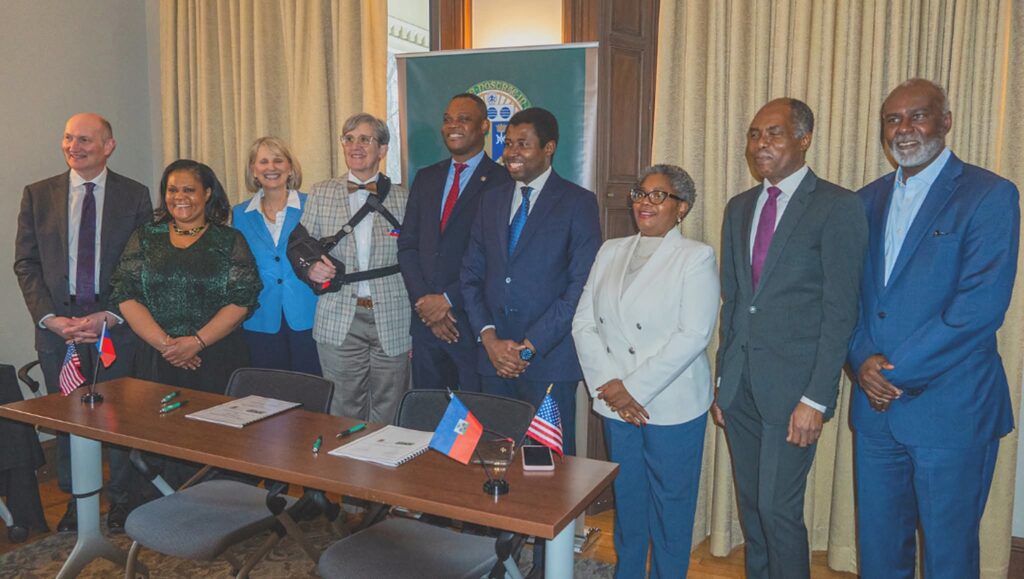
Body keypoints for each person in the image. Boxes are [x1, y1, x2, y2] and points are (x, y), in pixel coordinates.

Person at [848, 79, 1019, 579]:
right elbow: (848, 299)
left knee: (949, 556)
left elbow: (979, 308)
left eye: (917, 116)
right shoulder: (864, 201)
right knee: (879, 553)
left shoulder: (989, 194)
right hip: (876, 413)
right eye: (893, 119)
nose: (904, 128)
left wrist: (891, 373)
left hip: (953, 410)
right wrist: (860, 359)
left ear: (945, 121)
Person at [712, 98, 867, 579]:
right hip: (741, 388)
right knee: (753, 509)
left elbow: (840, 313)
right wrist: (723, 382)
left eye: (774, 133)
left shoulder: (837, 206)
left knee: (778, 511)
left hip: (795, 392)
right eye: (755, 134)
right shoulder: (740, 208)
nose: (761, 144)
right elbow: (735, 302)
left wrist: (816, 399)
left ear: (804, 139)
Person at [572, 165, 719, 578]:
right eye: (640, 193)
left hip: (671, 405)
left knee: (671, 511)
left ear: (682, 207)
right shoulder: (610, 250)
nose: (645, 203)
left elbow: (694, 335)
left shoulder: (695, 257)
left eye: (658, 195)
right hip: (616, 404)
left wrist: (632, 389)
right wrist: (609, 386)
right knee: (630, 503)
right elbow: (583, 323)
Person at [13, 112, 152, 533]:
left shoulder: (134, 195)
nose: (74, 147)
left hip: (113, 324)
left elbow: (142, 264)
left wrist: (110, 315)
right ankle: (78, 499)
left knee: (119, 415)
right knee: (68, 416)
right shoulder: (38, 195)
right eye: (69, 138)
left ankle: (123, 499)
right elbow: (26, 263)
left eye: (85, 140)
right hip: (60, 329)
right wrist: (50, 319)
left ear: (108, 146)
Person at [461, 107, 602, 457]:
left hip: (548, 362)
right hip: (492, 361)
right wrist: (490, 340)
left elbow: (580, 288)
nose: (511, 152)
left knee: (546, 469)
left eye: (523, 144)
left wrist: (527, 348)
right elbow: (471, 276)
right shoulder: (490, 200)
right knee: (493, 461)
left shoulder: (578, 203)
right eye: (508, 143)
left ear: (549, 148)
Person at [398, 93, 512, 392]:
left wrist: (447, 300)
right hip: (425, 325)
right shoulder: (426, 178)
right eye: (448, 120)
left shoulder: (503, 182)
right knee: (428, 412)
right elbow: (408, 246)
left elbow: (496, 259)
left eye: (463, 119)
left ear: (484, 126)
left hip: (472, 324)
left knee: (474, 415)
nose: (453, 126)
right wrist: (426, 304)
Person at [301, 113, 411, 423]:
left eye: (365, 139)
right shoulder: (321, 192)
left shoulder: (405, 197)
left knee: (390, 404)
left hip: (393, 315)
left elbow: (417, 256)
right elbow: (301, 244)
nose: (355, 146)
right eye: (349, 139)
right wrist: (310, 268)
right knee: (343, 407)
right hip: (338, 315)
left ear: (383, 149)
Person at [232, 137, 321, 375]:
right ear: (253, 170)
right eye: (263, 162)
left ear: (290, 167)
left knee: (310, 388)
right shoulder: (238, 214)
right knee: (268, 390)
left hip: (308, 315)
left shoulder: (313, 205)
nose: (271, 167)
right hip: (260, 318)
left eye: (278, 160)